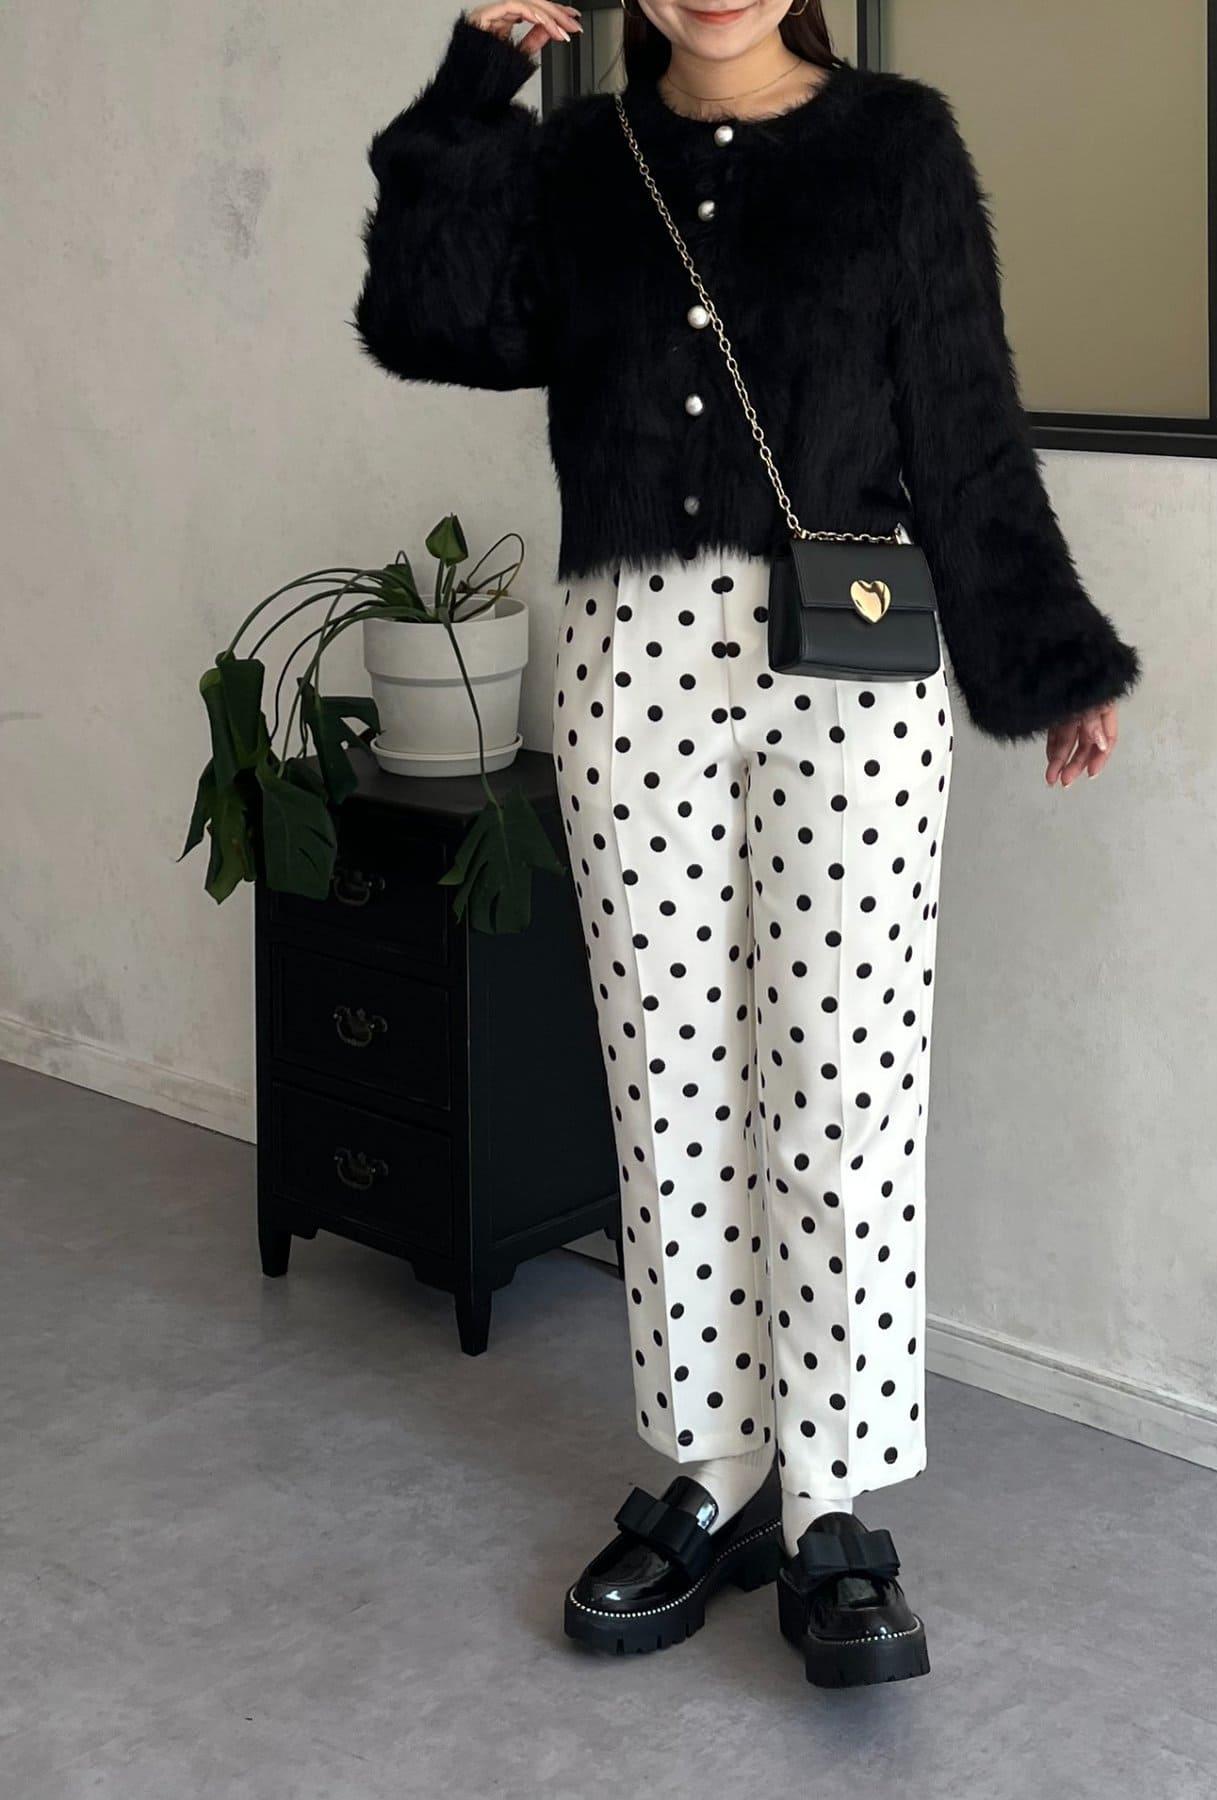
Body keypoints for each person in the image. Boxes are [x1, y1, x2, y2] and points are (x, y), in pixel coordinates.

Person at [354, 0, 1140, 1690]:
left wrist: (1047, 657)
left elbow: (964, 416)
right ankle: (712, 1469)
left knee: (848, 1081)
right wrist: (472, 95)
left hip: (854, 663)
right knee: (669, 1074)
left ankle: (833, 1499)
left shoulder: (898, 147)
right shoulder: (583, 158)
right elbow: (429, 323)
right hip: (629, 658)